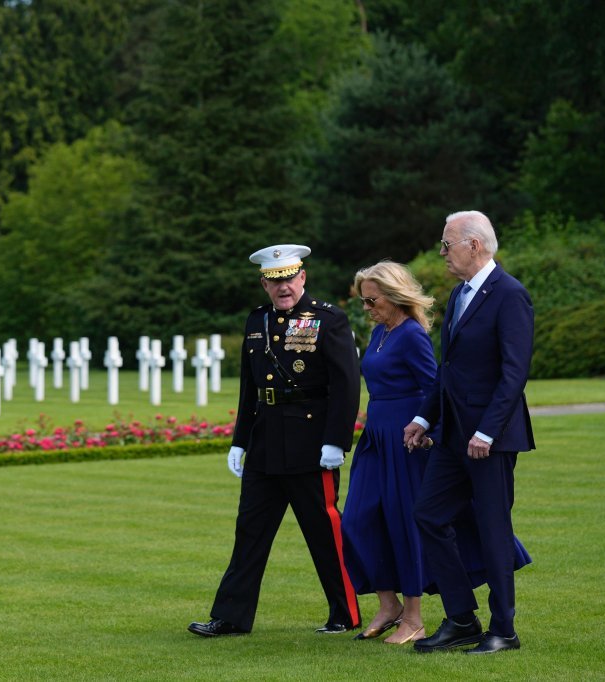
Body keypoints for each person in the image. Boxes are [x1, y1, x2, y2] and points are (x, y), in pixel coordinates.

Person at [188, 244, 361, 638]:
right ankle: (231, 616)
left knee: (323, 532)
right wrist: (239, 441)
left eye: (289, 278)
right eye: (274, 280)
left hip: (311, 445)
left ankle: (345, 613)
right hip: (265, 445)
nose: (283, 287)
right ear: (264, 283)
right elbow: (250, 388)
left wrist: (336, 441)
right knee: (249, 532)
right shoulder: (257, 321)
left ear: (302, 277)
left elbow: (347, 385)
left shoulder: (328, 319)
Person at [404, 210, 535, 655]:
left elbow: (514, 373)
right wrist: (424, 419)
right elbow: (449, 372)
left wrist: (488, 432)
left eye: (447, 244)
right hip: (452, 436)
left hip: (488, 441)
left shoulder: (509, 295)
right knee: (428, 515)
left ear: (473, 245)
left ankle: (504, 631)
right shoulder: (460, 295)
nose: (443, 253)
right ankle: (461, 618)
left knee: (493, 528)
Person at [340, 261, 437, 645]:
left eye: (372, 300)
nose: (367, 308)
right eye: (364, 301)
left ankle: (413, 617)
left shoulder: (412, 335)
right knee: (358, 520)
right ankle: (388, 604)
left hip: (405, 440)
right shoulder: (382, 331)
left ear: (395, 295)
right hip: (375, 437)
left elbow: (433, 387)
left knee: (402, 523)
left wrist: (426, 429)